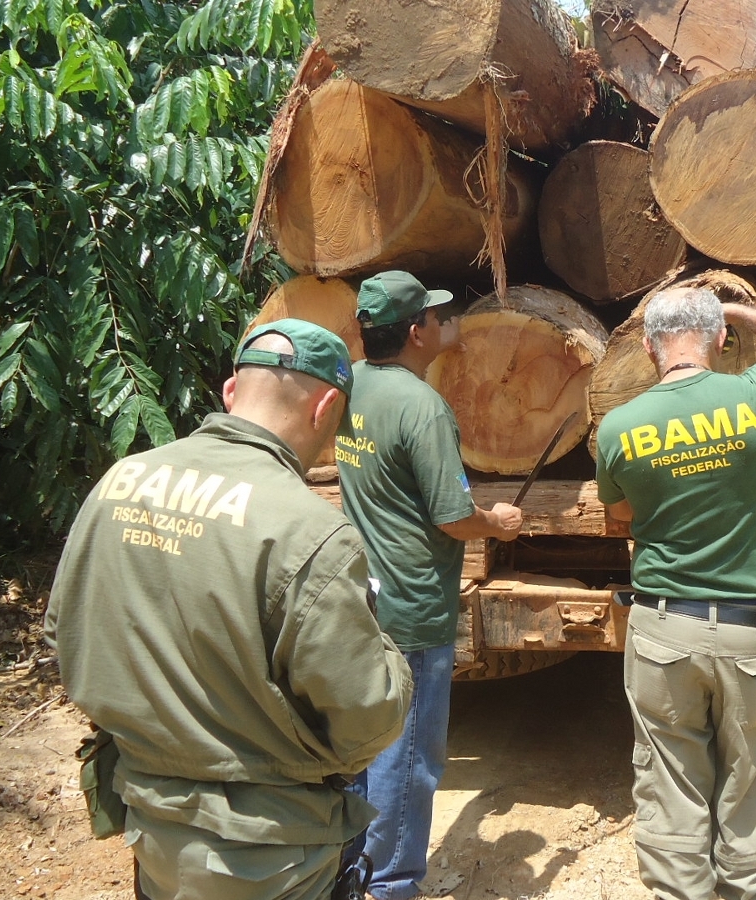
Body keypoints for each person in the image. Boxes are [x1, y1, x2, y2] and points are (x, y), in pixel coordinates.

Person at [44, 319, 414, 900]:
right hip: (273, 854)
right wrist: (386, 651)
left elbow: (65, 633)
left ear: (231, 390)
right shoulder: (311, 532)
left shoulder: (119, 482)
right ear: (325, 408)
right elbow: (368, 717)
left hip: (150, 827)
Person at [594, 288, 756, 900]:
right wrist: (740, 311)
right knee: (750, 782)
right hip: (751, 634)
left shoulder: (619, 427)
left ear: (649, 349)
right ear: (720, 340)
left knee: (670, 781)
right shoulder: (755, 394)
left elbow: (620, 515)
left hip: (663, 631)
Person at [333, 270, 524, 900]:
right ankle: (389, 885)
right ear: (417, 332)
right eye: (437, 317)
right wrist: (496, 522)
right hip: (413, 606)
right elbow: (452, 516)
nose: (446, 323)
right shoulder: (422, 407)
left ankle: (350, 868)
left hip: (362, 595)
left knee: (363, 744)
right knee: (409, 754)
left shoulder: (351, 386)